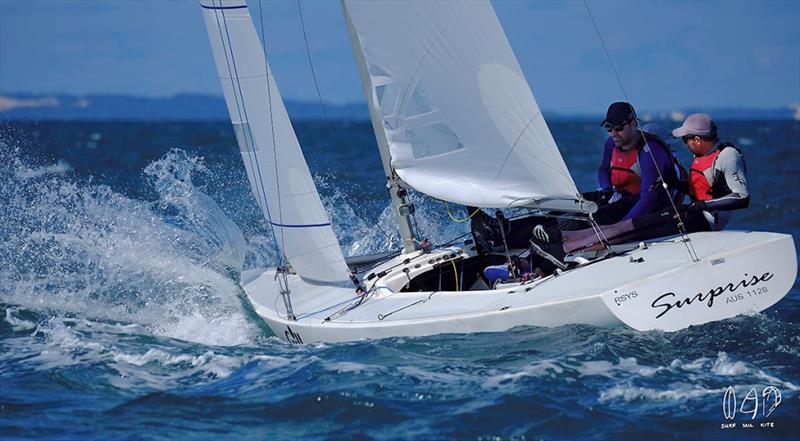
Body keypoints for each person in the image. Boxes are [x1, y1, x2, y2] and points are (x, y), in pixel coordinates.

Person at [528, 113, 749, 264]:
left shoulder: (727, 156)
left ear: (698, 139)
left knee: (631, 227)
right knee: (627, 224)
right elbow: (700, 189)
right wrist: (673, 183)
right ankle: (561, 237)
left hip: (704, 220)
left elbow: (741, 198)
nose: (684, 143)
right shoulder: (702, 156)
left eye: (687, 139)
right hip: (693, 213)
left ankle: (564, 246)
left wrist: (702, 205)